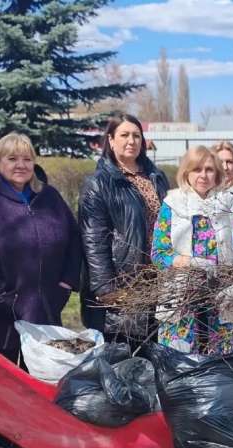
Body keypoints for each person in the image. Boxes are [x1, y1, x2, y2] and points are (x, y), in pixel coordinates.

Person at [0, 132, 81, 448]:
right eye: (12, 158)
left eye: (27, 158)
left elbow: (74, 242)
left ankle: (41, 432)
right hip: (0, 306)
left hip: (46, 303)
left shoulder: (49, 197)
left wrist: (66, 284)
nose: (21, 165)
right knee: (4, 373)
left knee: (44, 370)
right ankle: (5, 435)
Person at [151, 146, 233, 353]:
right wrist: (188, 262)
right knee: (180, 361)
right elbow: (158, 252)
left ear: (217, 173)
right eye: (196, 169)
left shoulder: (230, 204)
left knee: (224, 364)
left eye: (209, 169)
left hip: (223, 295)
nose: (203, 175)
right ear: (186, 173)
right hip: (180, 296)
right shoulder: (172, 204)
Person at [79, 115, 170, 346]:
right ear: (110, 141)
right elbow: (94, 238)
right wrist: (106, 288)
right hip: (123, 282)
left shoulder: (156, 178)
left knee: (154, 351)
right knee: (124, 355)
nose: (131, 141)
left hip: (157, 279)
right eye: (124, 135)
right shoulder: (99, 183)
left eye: (136, 135)